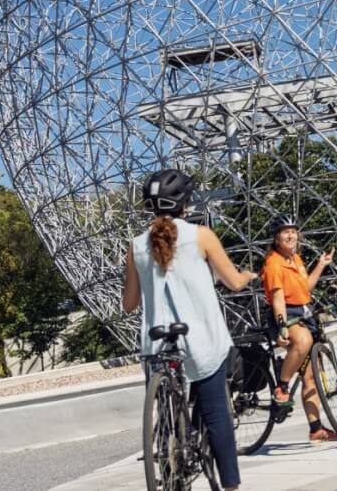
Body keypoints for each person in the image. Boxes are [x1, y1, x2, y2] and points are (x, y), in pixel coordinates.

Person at [122, 169, 256, 491]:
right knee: (215, 412)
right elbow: (233, 282)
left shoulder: (136, 246)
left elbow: (129, 304)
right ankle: (231, 487)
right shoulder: (201, 236)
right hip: (201, 339)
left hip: (156, 343)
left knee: (166, 416)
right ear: (186, 202)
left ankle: (170, 473)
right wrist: (248, 276)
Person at [260, 214, 337, 442]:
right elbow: (277, 299)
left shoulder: (295, 259)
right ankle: (281, 387)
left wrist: (321, 265)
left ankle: (316, 429)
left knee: (311, 377)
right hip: (285, 313)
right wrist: (282, 326)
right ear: (276, 238)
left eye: (293, 231)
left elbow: (305, 288)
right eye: (285, 232)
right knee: (303, 341)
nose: (291, 235)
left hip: (303, 310)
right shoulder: (274, 263)